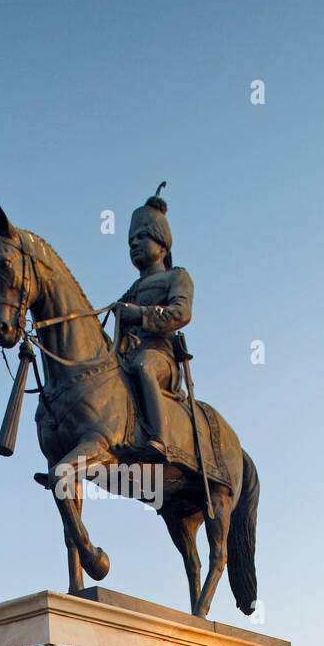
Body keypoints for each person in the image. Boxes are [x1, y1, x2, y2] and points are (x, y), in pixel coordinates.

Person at [114, 185, 193, 461]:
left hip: (161, 358)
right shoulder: (131, 290)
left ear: (161, 244)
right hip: (130, 354)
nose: (134, 244)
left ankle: (161, 439)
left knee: (143, 366)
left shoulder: (176, 277)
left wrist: (139, 315)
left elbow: (181, 313)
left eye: (141, 237)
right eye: (130, 240)